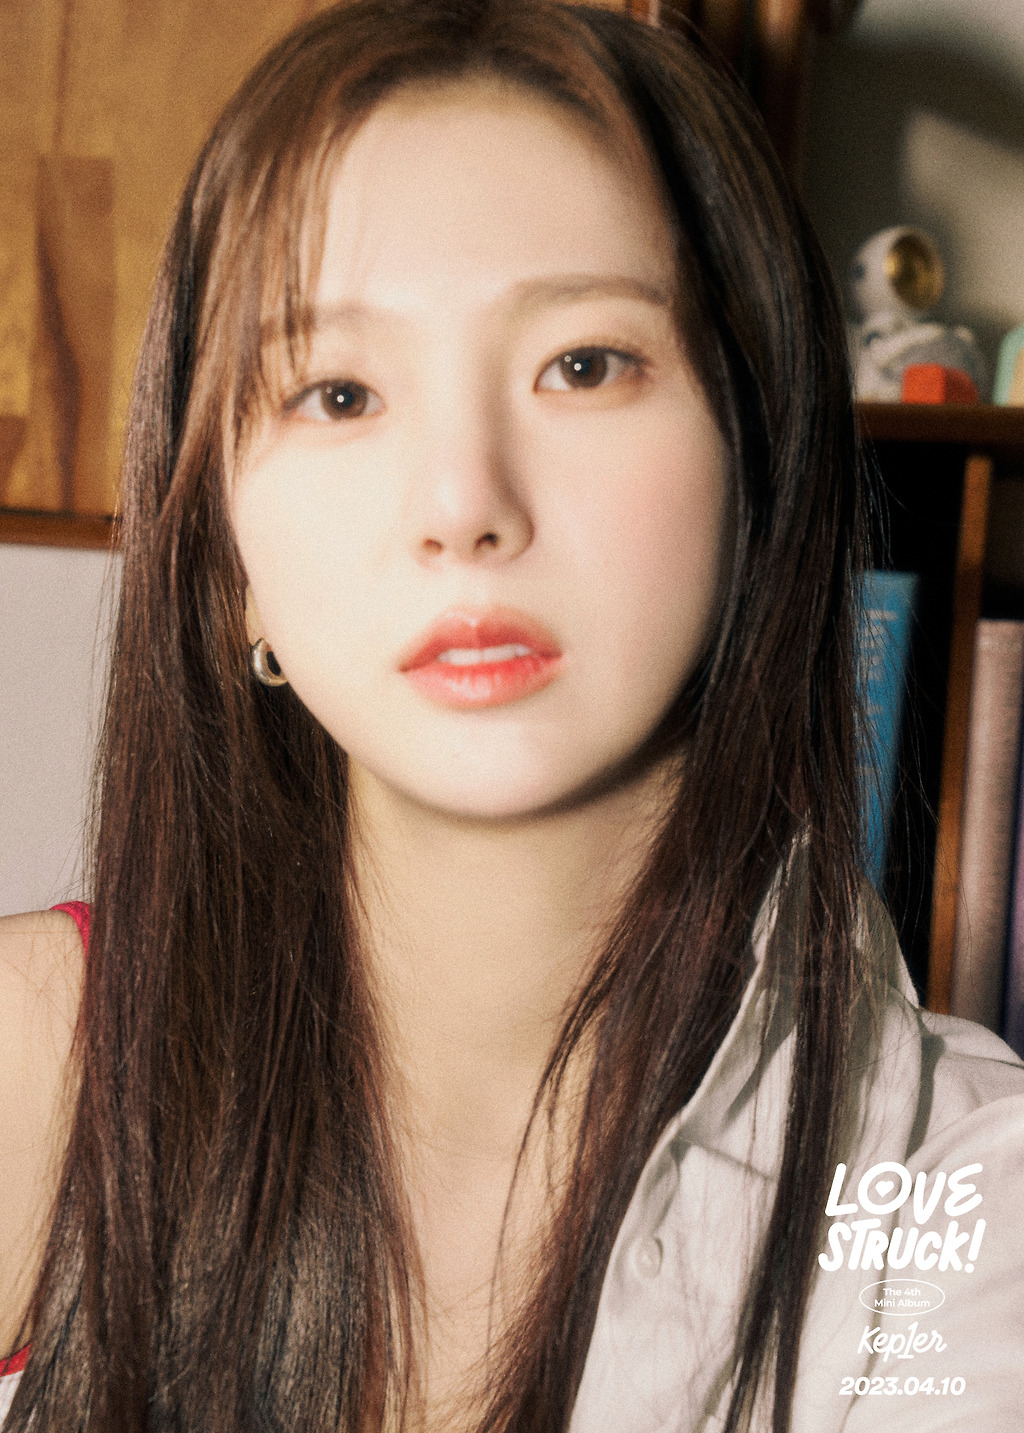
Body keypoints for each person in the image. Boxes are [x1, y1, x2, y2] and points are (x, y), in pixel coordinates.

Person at [1, 1, 1022, 1429]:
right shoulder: (35, 1059)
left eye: (584, 365)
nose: (464, 504)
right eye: (339, 392)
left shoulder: (959, 1208)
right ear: (227, 564)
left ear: (759, 467)